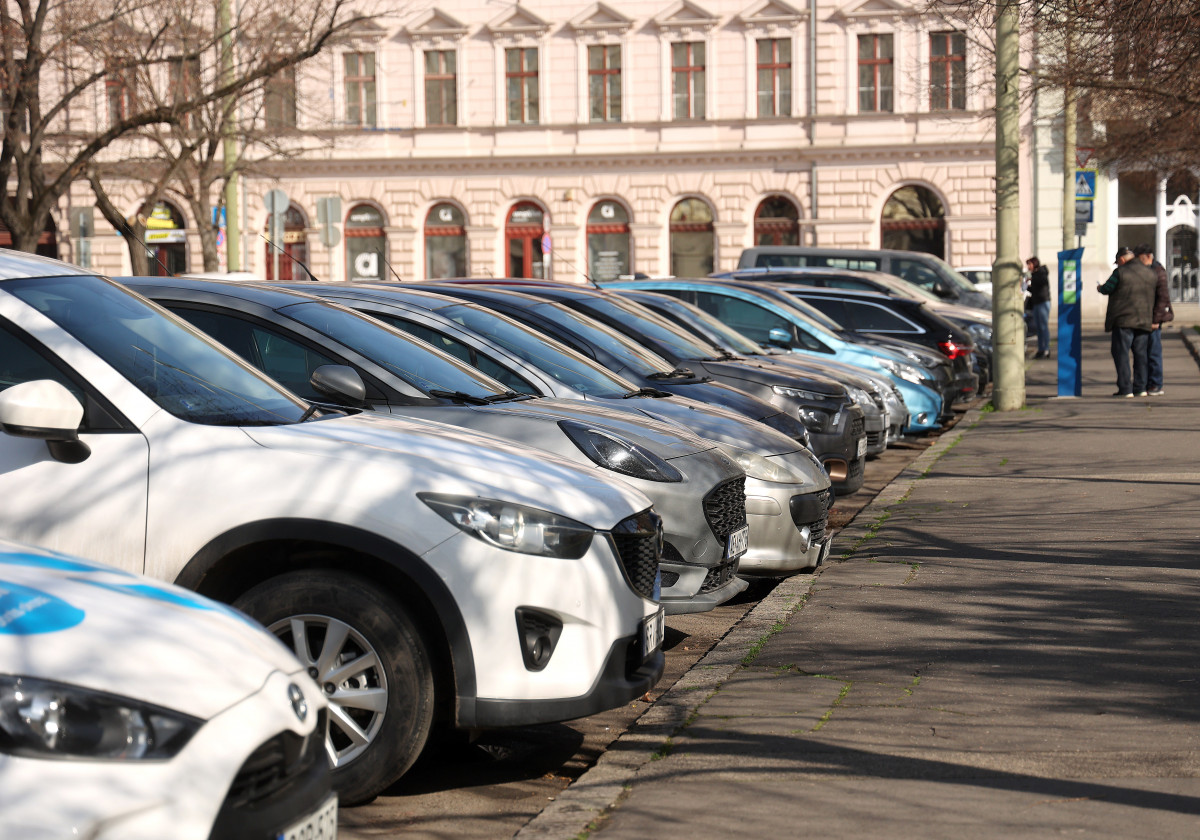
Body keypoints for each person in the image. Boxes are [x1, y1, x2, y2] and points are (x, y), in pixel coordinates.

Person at [1097, 246, 1156, 397]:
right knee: (1140, 354)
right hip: (1144, 319)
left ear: (1121, 260)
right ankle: (1141, 387)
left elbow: (1107, 288)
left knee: (1121, 354)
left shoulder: (1120, 272)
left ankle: (1125, 388)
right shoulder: (1149, 273)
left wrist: (1099, 287)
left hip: (1123, 320)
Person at [1133, 244, 1173, 395]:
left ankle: (1156, 383)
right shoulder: (1147, 270)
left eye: (1141, 259)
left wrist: (1156, 320)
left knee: (1153, 351)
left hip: (1154, 318)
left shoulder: (1157, 271)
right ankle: (1148, 383)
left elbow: (1163, 298)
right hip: (1145, 316)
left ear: (1148, 256)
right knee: (1145, 351)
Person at [1025, 256, 1051, 358]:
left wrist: (1032, 280)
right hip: (1037, 303)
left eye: (1029, 264)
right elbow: (1035, 289)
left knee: (1043, 327)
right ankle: (1041, 348)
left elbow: (1042, 283)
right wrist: (1028, 286)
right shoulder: (1035, 274)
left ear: (1034, 264)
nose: (1028, 266)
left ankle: (1046, 349)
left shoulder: (1041, 273)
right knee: (1039, 328)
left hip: (1043, 302)